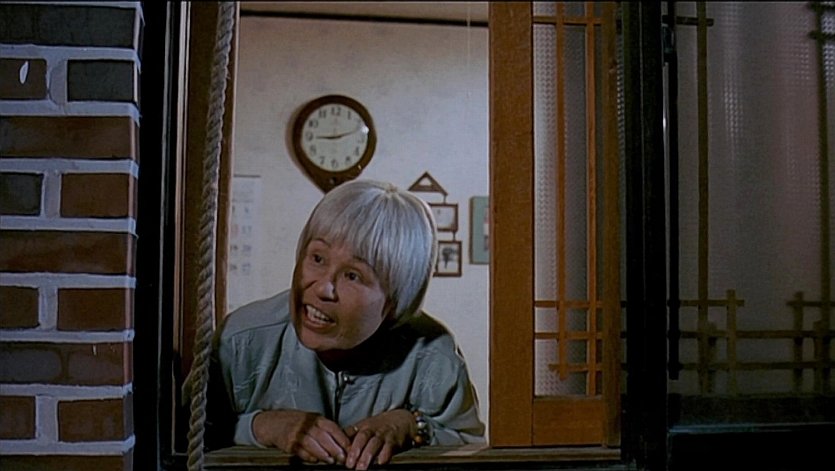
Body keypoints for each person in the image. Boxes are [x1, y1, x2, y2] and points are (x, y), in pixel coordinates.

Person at [202, 179, 485, 470]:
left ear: (395, 301)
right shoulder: (242, 340)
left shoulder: (432, 354)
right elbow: (186, 437)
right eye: (317, 258)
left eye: (353, 275)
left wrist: (411, 425)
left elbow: (472, 449)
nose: (323, 288)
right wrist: (262, 426)